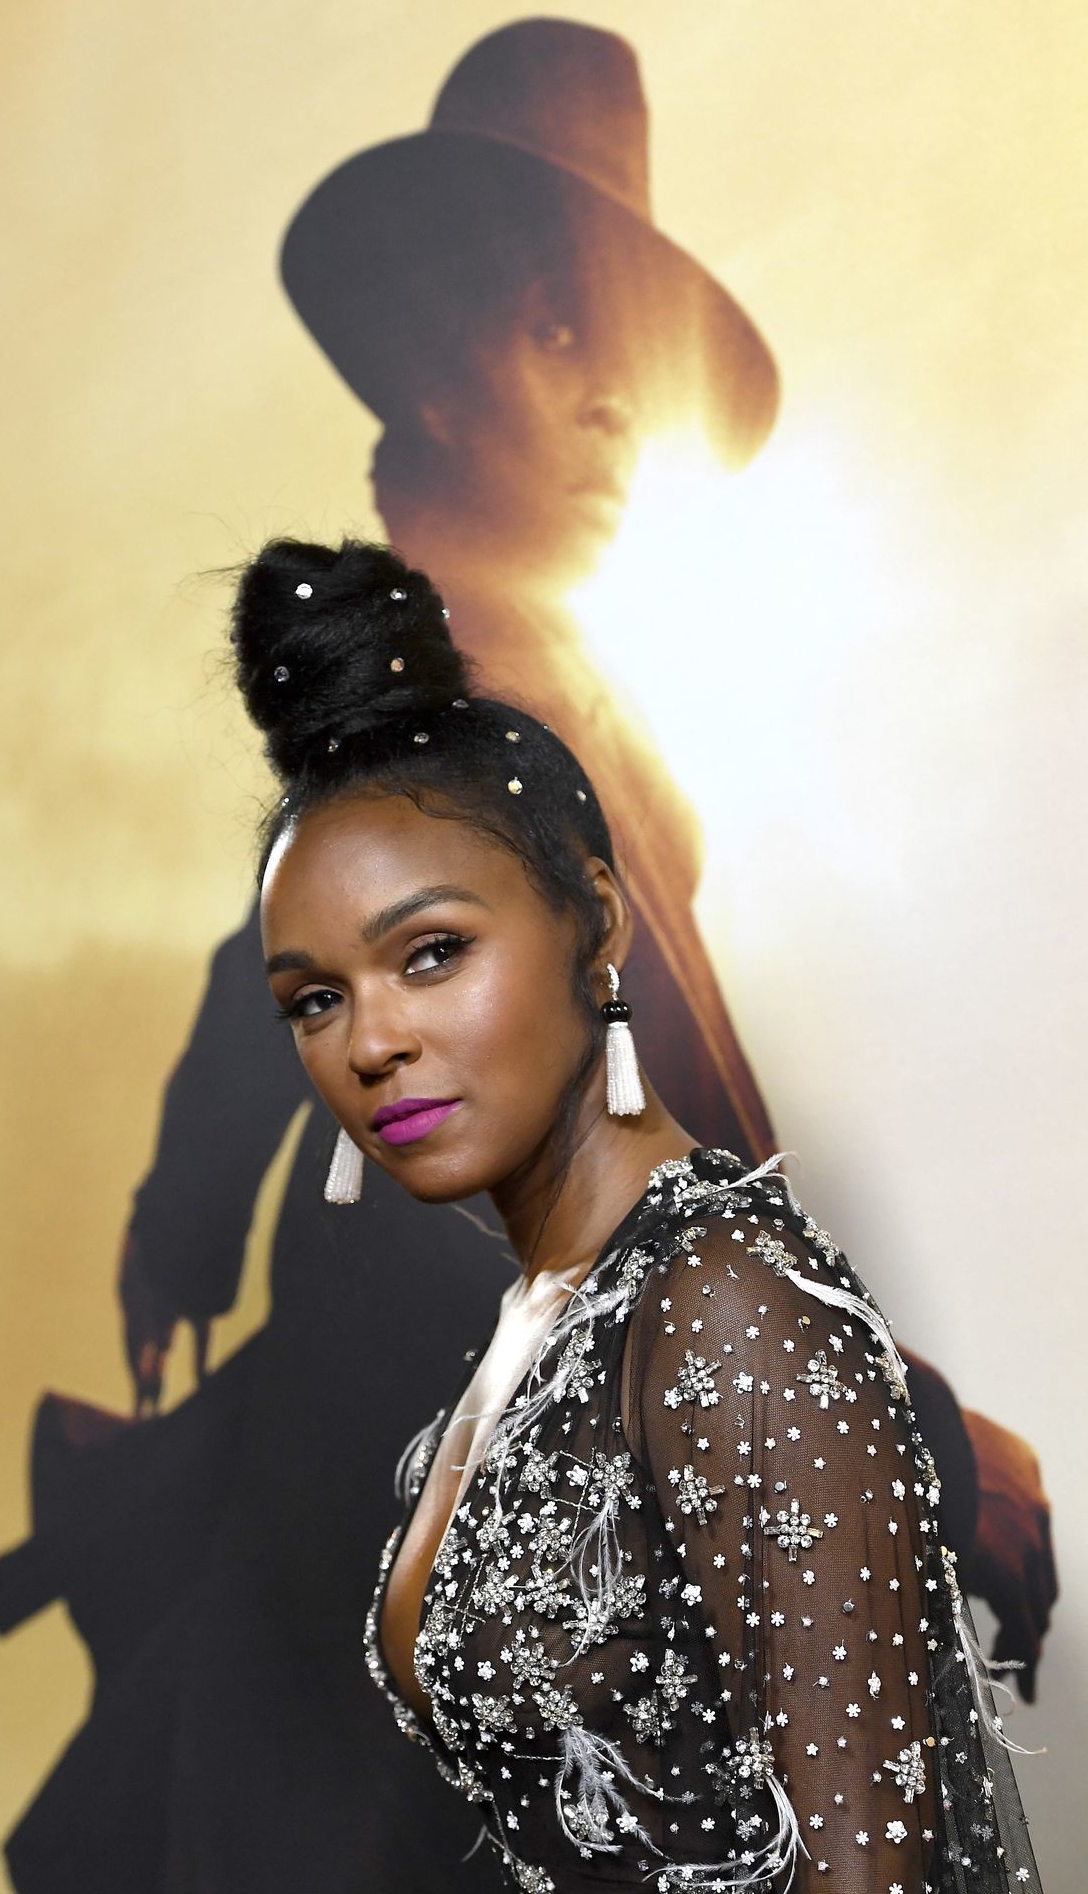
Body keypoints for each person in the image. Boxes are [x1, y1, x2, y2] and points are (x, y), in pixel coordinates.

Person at [238, 533, 1043, 1892]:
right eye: (317, 998)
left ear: (595, 919)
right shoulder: (536, 1317)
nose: (370, 1042)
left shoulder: (727, 1300)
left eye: (432, 954)